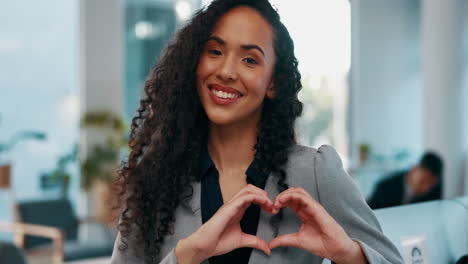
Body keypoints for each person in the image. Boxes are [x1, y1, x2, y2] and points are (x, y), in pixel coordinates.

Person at [110, 0, 403, 263]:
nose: (226, 71)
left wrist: (349, 255)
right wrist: (187, 255)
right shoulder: (155, 179)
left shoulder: (316, 172)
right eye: (215, 51)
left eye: (249, 59)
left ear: (273, 84)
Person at [367, 152, 443, 210]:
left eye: (431, 185)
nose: (426, 188)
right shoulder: (384, 188)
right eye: (423, 181)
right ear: (414, 169)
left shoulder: (434, 191)